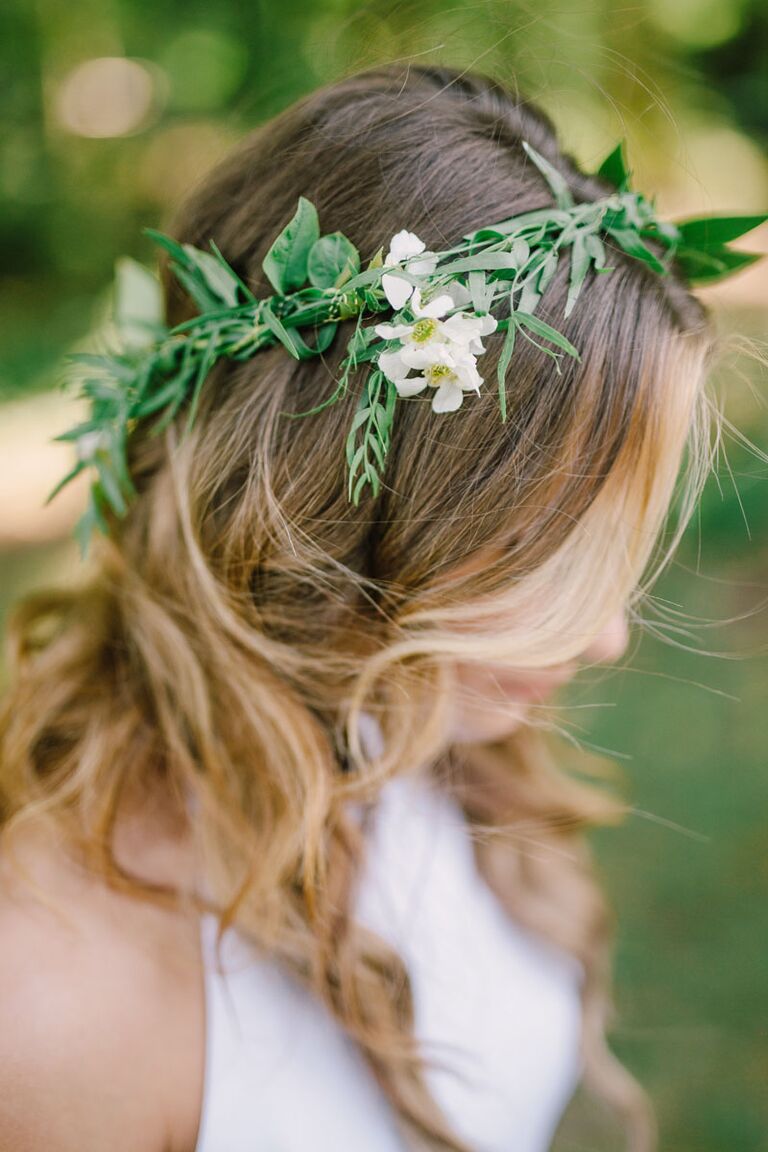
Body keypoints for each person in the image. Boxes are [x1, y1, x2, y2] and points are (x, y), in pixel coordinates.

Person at [0, 62, 726, 1152]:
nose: (606, 634)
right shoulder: (55, 1008)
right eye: (534, 547)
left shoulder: (429, 742)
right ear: (325, 511)